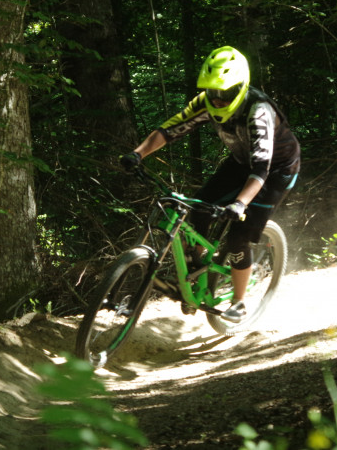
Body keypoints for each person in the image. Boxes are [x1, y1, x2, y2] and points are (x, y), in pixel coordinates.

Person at [120, 46, 300, 323]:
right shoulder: (204, 102)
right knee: (200, 206)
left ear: (240, 87)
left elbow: (262, 168)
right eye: (212, 92)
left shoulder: (258, 111)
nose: (216, 100)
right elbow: (170, 130)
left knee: (239, 234)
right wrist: (138, 153)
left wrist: (240, 203)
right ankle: (197, 267)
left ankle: (239, 303)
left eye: (224, 93)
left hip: (276, 169)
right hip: (242, 161)